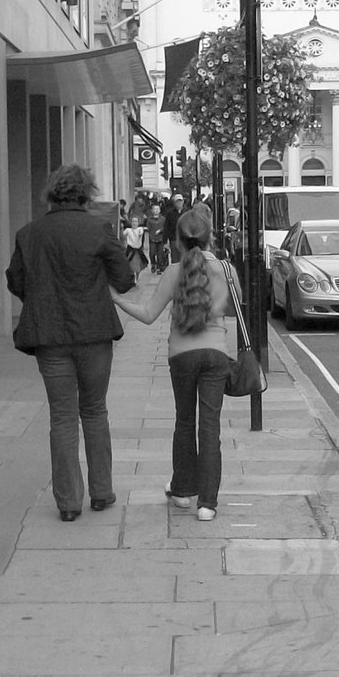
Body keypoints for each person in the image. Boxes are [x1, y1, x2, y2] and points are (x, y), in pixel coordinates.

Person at [6, 164, 135, 522]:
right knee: (94, 410)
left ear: (52, 194)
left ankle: (67, 503)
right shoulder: (99, 229)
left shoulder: (30, 233)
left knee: (62, 416)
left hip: (49, 336)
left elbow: (16, 281)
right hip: (94, 335)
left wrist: (42, 297)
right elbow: (124, 280)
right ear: (86, 193)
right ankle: (102, 491)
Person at [117, 206, 238, 523]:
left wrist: (116, 299)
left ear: (178, 241)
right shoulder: (226, 270)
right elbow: (235, 312)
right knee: (209, 427)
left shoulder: (172, 272)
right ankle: (208, 504)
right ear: (211, 236)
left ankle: (183, 491)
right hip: (215, 354)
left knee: (184, 421)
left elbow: (147, 315)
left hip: (181, 356)